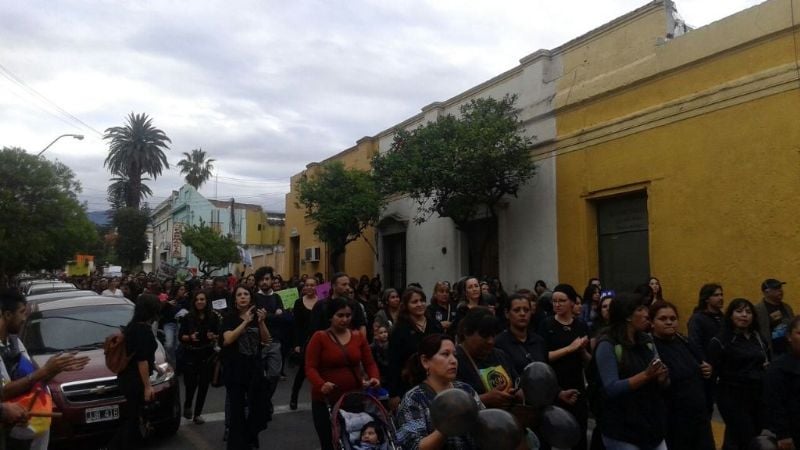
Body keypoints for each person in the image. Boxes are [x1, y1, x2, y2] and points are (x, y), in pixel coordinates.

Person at [0, 289, 89, 450]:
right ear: (7, 315)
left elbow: (31, 381)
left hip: (29, 433)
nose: (24, 319)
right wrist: (44, 371)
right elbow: (4, 392)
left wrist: (54, 369)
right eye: (21, 313)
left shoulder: (15, 342)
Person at [594, 293, 668, 450]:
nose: (647, 314)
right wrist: (646, 375)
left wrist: (662, 377)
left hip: (651, 428)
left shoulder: (647, 341)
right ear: (627, 316)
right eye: (641, 309)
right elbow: (611, 388)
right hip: (621, 431)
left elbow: (660, 380)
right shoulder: (607, 344)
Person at [305, 297, 380, 450]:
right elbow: (310, 368)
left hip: (354, 399)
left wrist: (374, 378)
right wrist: (321, 384)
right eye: (340, 315)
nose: (345, 319)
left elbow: (369, 363)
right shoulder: (319, 338)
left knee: (355, 442)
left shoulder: (358, 337)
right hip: (326, 401)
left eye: (348, 315)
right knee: (330, 443)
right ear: (330, 317)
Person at [396, 334, 483, 450]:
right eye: (445, 354)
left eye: (454, 355)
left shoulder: (466, 390)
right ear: (425, 361)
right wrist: (446, 426)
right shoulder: (414, 398)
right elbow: (415, 446)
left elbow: (484, 428)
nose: (453, 361)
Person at [650, 302, 715, 450]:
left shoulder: (684, 341)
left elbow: (701, 365)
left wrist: (707, 369)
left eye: (673, 318)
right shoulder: (650, 348)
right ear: (652, 323)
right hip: (673, 420)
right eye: (663, 318)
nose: (669, 322)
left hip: (699, 416)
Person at [708, 298, 770, 450]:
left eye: (748, 312)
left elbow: (766, 359)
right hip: (732, 396)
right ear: (730, 315)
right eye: (739, 311)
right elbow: (712, 372)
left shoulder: (758, 337)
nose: (744, 315)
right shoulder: (720, 340)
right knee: (745, 435)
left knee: (741, 436)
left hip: (756, 394)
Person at [538, 284, 590, 450]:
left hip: (576, 383)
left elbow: (588, 360)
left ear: (572, 303)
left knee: (579, 433)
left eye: (562, 301)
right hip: (554, 385)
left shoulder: (581, 326)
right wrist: (569, 349)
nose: (557, 304)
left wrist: (582, 351)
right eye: (554, 301)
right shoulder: (546, 325)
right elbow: (544, 356)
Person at [108, 294, 161, 450]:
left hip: (127, 379)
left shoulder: (132, 327)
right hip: (134, 381)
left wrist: (155, 366)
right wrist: (147, 386)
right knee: (132, 419)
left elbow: (140, 355)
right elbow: (141, 360)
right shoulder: (142, 330)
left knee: (133, 417)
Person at [221, 286, 270, 450]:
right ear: (235, 299)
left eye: (246, 294)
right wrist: (245, 322)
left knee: (257, 408)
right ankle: (236, 444)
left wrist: (261, 322)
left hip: (254, 369)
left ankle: (251, 440)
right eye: (239, 295)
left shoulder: (257, 317)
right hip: (235, 370)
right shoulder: (229, 317)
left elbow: (266, 340)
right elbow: (228, 340)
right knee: (237, 410)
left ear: (251, 298)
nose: (243, 297)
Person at [455, 308, 522, 409]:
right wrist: (484, 399)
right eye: (484, 335)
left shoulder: (500, 355)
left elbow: (517, 382)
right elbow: (453, 403)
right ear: (467, 333)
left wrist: (515, 394)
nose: (490, 341)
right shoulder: (454, 360)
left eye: (493, 335)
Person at [387, 287, 443, 405]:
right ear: (406, 305)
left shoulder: (435, 325)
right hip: (409, 385)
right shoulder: (399, 330)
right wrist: (393, 394)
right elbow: (393, 363)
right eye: (414, 302)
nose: (419, 304)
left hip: (436, 381)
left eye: (422, 300)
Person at [178, 289, 220, 425]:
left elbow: (219, 334)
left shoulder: (213, 317)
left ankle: (198, 414)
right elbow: (181, 337)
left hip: (207, 355)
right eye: (197, 300)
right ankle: (188, 404)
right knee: (191, 384)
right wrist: (190, 337)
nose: (200, 302)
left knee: (203, 385)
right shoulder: (187, 317)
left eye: (202, 299)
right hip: (190, 354)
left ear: (207, 301)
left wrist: (213, 336)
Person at [763, 315, 800, 450]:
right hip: (792, 434)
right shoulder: (778, 368)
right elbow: (775, 404)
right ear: (789, 337)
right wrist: (783, 434)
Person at [688, 283, 724, 414]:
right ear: (706, 299)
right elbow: (694, 343)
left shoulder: (722, 318)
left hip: (722, 370)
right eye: (716, 295)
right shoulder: (697, 319)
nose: (720, 298)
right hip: (706, 372)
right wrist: (704, 363)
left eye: (721, 294)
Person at [290, 276, 318, 410]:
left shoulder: (321, 303)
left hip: (318, 341)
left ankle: (320, 399)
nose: (310, 288)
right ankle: (294, 397)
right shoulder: (298, 303)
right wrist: (296, 344)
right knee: (302, 371)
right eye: (307, 285)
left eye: (312, 285)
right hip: (304, 342)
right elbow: (296, 325)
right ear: (304, 287)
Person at [754, 279, 795, 356]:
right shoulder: (757, 310)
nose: (780, 290)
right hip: (770, 353)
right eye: (776, 288)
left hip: (789, 351)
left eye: (780, 287)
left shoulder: (787, 307)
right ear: (766, 292)